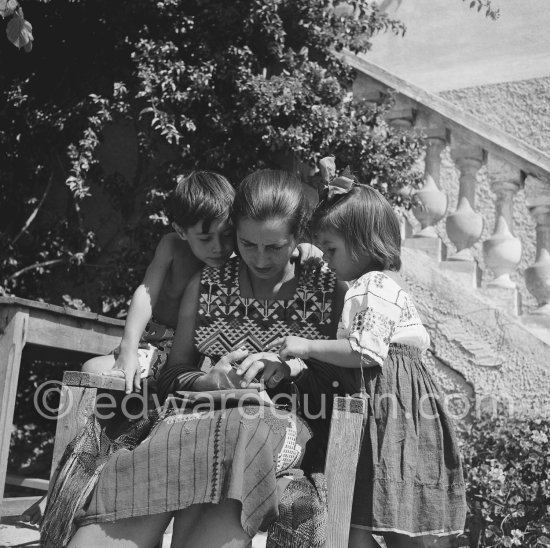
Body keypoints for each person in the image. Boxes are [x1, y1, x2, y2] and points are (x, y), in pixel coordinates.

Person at [41, 169, 357, 548]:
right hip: (208, 419)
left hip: (287, 426)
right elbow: (174, 371)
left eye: (275, 247)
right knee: (187, 431)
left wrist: (289, 368)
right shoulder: (209, 283)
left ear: (299, 235)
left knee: (243, 428)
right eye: (247, 243)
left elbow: (349, 379)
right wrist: (210, 381)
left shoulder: (326, 286)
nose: (259, 257)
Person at [266, 168, 467, 547]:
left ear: (361, 242)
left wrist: (304, 346)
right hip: (402, 405)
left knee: (371, 510)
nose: (326, 260)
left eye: (331, 249)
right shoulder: (383, 283)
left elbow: (364, 352)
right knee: (389, 512)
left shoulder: (369, 285)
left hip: (387, 408)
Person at [22, 170, 236, 527]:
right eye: (206, 237)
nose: (219, 246)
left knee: (140, 420)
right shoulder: (171, 246)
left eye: (227, 235)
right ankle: (60, 487)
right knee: (93, 376)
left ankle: (106, 497)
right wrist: (127, 347)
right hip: (147, 343)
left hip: (185, 363)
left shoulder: (230, 266)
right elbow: (146, 294)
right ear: (182, 231)